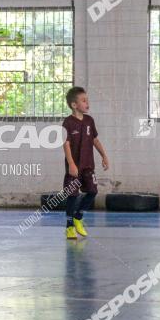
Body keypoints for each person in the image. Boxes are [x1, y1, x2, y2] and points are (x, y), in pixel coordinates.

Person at [61, 87, 109, 240]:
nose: (87, 103)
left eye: (87, 100)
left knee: (93, 191)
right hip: (74, 167)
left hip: (88, 166)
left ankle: (78, 217)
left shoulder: (90, 121)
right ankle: (69, 227)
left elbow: (94, 140)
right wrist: (71, 164)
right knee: (72, 195)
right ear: (74, 105)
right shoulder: (68, 122)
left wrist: (104, 155)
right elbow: (66, 144)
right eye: (84, 100)